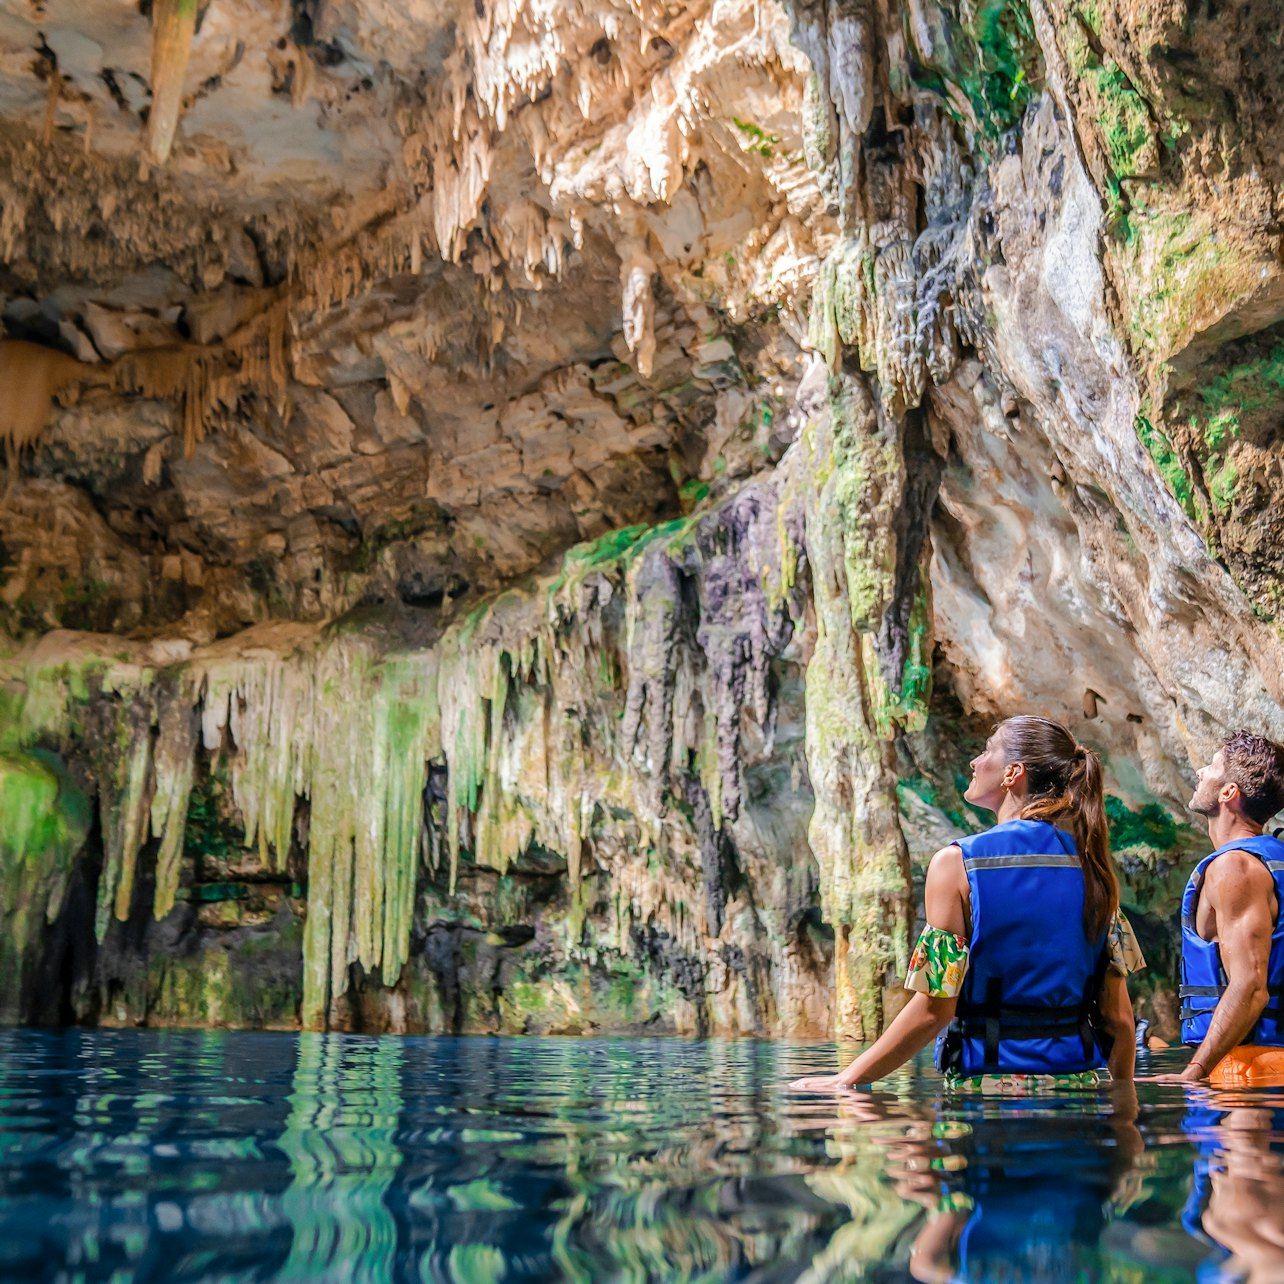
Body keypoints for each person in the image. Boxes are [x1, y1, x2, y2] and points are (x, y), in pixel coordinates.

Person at [790, 715, 1140, 1092]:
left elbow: (933, 1010)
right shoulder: (1095, 868)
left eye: (988, 750)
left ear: (1013, 773)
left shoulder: (957, 864)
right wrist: (1123, 1104)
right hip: (1080, 1097)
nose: (975, 762)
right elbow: (1118, 1020)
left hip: (986, 1096)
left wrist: (847, 1078)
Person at [1160, 730, 1284, 1086]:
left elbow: (1250, 987)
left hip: (1250, 1072)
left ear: (1229, 792)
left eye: (1212, 766)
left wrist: (1194, 1073)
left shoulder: (1235, 868)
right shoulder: (1271, 863)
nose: (1200, 772)